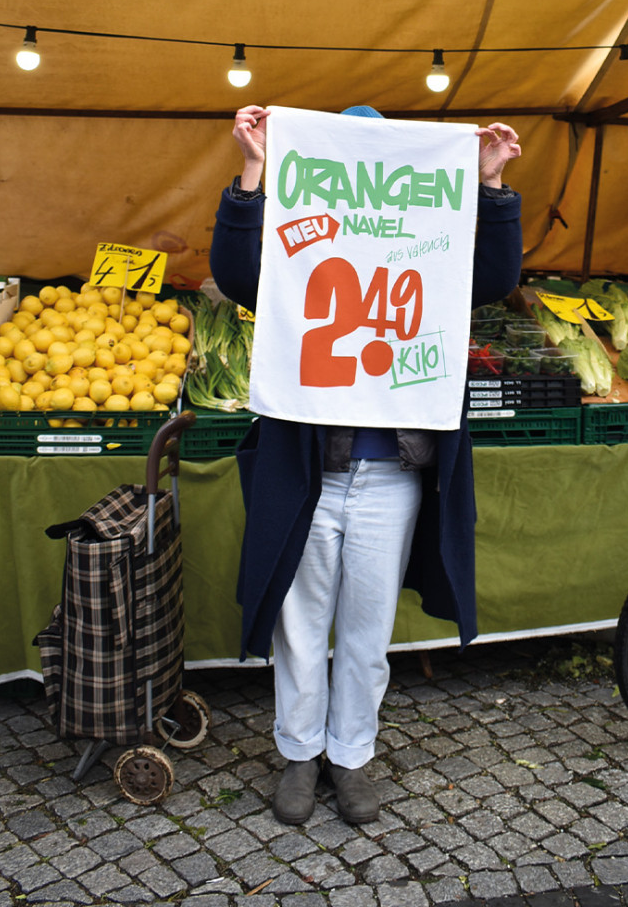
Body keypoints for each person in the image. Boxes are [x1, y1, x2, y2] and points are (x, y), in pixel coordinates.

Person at [209, 103, 523, 826]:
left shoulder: (428, 250)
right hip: (310, 473)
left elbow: (491, 278)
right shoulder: (300, 248)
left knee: (366, 630)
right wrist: (253, 171)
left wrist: (490, 186)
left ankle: (350, 755)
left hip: (394, 478)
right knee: (299, 624)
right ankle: (300, 752)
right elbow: (237, 274)